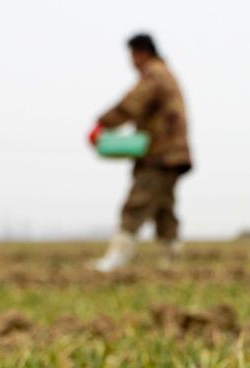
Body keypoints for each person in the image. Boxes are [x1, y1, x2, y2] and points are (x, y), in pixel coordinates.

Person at [89, 33, 192, 272]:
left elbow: (132, 103)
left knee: (138, 201)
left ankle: (116, 259)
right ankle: (172, 258)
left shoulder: (155, 75)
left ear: (141, 52)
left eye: (132, 55)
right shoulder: (166, 73)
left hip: (161, 153)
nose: (131, 61)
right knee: (164, 207)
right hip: (173, 152)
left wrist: (102, 124)